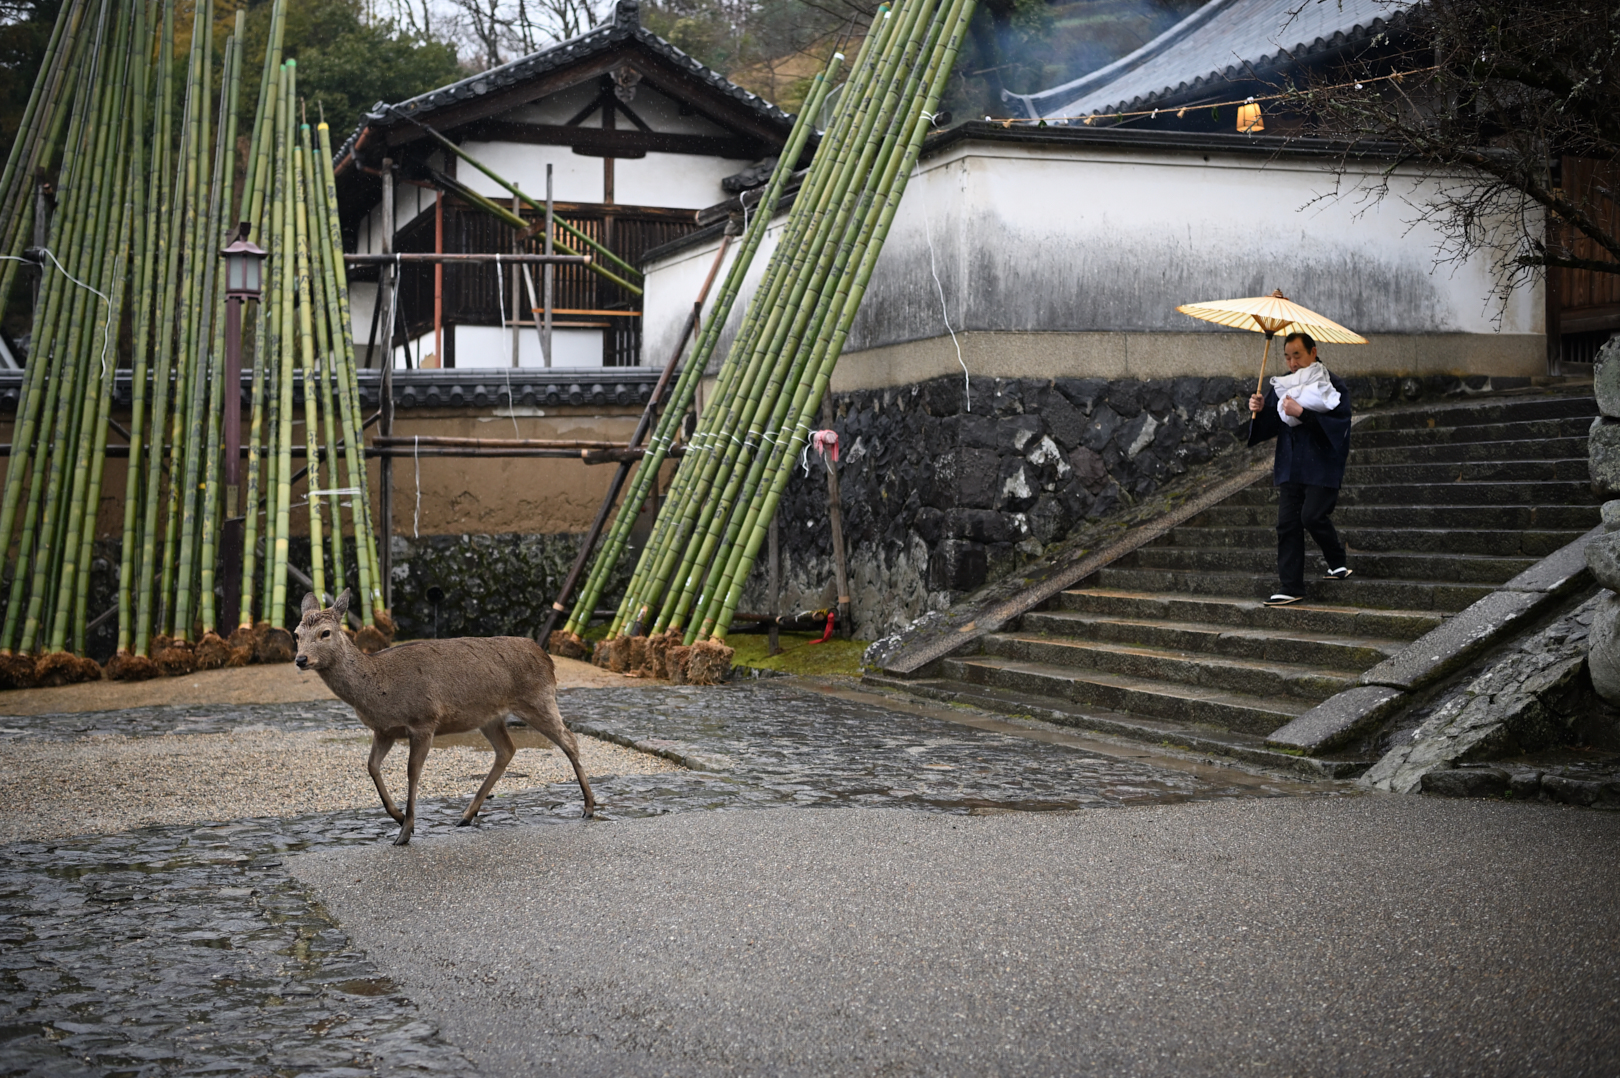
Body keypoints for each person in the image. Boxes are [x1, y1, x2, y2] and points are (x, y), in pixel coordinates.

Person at [1246, 331, 1353, 607]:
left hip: (1321, 464)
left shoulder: (1334, 384)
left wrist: (1302, 413)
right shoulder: (1283, 384)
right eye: (1288, 356)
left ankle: (1336, 559)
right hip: (1291, 464)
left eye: (1298, 355)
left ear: (1313, 353)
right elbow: (1270, 423)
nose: (1292, 362)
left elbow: (1338, 427)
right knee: (1287, 524)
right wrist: (1258, 408)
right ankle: (1291, 586)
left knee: (1312, 516)